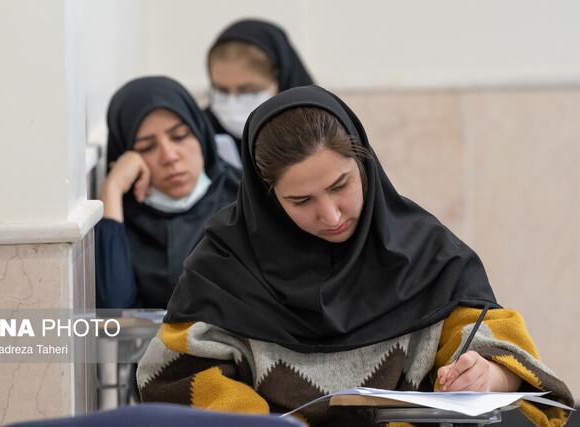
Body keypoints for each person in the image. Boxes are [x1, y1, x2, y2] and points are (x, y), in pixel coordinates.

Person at [136, 86, 573, 426]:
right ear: (268, 200)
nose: (330, 215)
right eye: (301, 201)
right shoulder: (223, 267)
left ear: (364, 165)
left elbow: (492, 341)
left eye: (340, 185)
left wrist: (490, 375)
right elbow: (171, 375)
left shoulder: (426, 251)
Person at [95, 76, 241, 309]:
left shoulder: (246, 200)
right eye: (147, 147)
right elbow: (114, 314)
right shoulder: (123, 219)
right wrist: (111, 189)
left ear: (200, 133)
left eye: (180, 136)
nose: (170, 156)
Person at [205, 19, 314, 167]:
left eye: (248, 91)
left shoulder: (319, 135)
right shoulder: (199, 132)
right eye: (222, 90)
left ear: (280, 81)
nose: (232, 103)